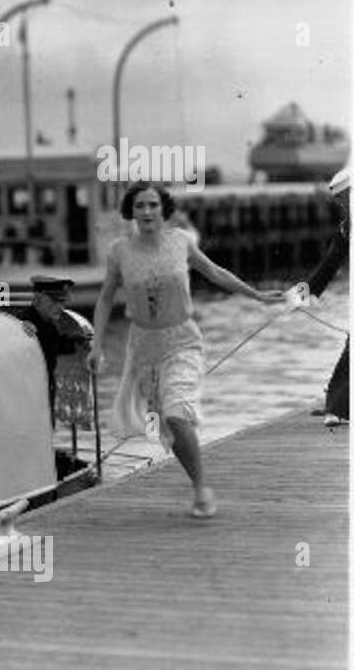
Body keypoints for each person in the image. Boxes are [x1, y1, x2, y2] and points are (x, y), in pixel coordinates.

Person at [89, 182, 285, 518]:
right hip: (143, 348)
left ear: (164, 209)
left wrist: (257, 295)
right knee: (168, 424)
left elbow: (214, 272)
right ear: (131, 212)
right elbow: (106, 297)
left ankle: (201, 488)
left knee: (178, 412)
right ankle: (196, 479)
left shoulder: (181, 241)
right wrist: (96, 345)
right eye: (140, 206)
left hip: (182, 340)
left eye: (153, 205)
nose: (147, 211)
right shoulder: (119, 251)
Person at [302, 167, 350, 425]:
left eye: (345, 199)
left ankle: (338, 407)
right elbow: (329, 265)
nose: (343, 206)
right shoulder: (347, 228)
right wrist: (303, 295)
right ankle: (336, 404)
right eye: (340, 202)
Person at [13, 274, 90, 419]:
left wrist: (79, 340)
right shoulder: (22, 324)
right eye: (55, 301)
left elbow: (56, 345)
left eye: (62, 302)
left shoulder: (48, 325)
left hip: (44, 394)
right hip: (26, 399)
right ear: (37, 299)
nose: (60, 307)